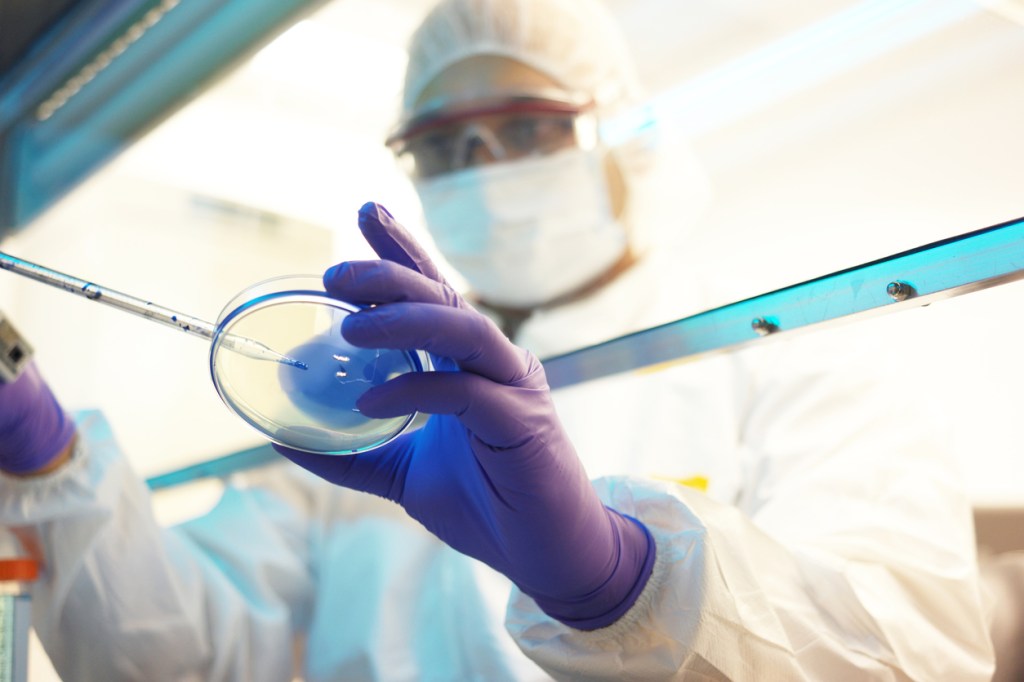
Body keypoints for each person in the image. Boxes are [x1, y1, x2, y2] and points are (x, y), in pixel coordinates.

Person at [0, 0, 996, 679]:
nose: (480, 167)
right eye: (441, 145)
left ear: (623, 138)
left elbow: (915, 649)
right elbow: (179, 656)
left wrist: (626, 581)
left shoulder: (787, 351)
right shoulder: (377, 389)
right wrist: (48, 457)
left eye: (525, 128)